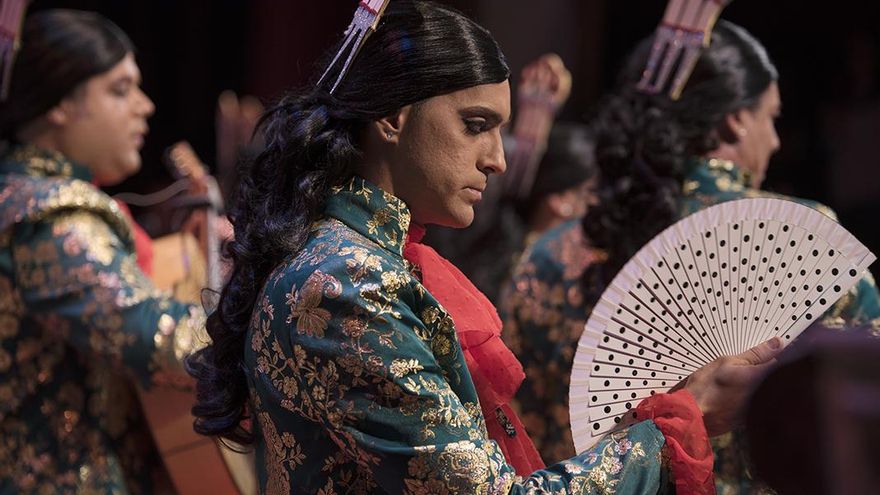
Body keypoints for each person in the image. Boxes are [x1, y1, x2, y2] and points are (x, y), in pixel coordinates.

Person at [188, 2, 783, 493]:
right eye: (475, 125)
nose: (497, 159)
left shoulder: (352, 259)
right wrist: (679, 422)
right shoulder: (349, 283)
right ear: (393, 118)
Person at [500, 18, 880, 491]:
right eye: (771, 117)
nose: (776, 140)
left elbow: (521, 430)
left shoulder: (547, 255)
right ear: (736, 119)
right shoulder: (807, 238)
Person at [0, 9, 207, 493]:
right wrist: (269, 314)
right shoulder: (50, 215)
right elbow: (160, 340)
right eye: (120, 89)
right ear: (61, 103)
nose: (145, 106)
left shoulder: (20, 194)